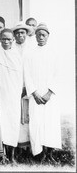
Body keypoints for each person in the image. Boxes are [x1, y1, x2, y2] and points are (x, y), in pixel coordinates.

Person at [23, 23, 61, 164]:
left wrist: (49, 93)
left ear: (48, 36)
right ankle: (39, 153)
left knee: (50, 124)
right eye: (38, 34)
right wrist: (34, 93)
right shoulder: (29, 54)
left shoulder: (54, 53)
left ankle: (49, 153)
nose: (41, 37)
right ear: (35, 36)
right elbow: (27, 74)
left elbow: (58, 74)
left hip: (50, 97)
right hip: (36, 96)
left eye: (43, 35)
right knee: (37, 124)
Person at [0, 29, 23, 163]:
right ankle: (1, 155)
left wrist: (17, 92)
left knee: (12, 122)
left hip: (12, 94)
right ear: (0, 39)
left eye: (9, 39)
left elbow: (20, 76)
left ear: (13, 40)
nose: (6, 41)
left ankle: (12, 155)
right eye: (3, 39)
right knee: (1, 123)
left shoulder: (16, 55)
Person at [11, 22, 34, 162]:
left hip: (28, 86)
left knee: (28, 117)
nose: (20, 35)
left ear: (26, 34)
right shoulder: (12, 48)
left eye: (23, 33)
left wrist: (28, 86)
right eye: (18, 33)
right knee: (17, 117)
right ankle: (18, 149)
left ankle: (28, 149)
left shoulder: (31, 49)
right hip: (15, 87)